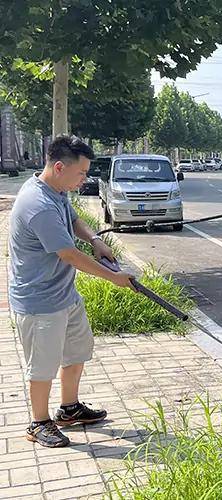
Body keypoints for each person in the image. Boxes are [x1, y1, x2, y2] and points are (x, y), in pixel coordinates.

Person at [9, 135, 135, 448]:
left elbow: (75, 220)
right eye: (81, 173)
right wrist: (113, 277)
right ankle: (38, 423)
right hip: (40, 301)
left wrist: (95, 240)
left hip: (64, 294)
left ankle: (69, 409)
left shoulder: (56, 190)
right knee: (43, 366)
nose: (84, 180)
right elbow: (68, 254)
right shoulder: (38, 205)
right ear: (60, 167)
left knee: (76, 351)